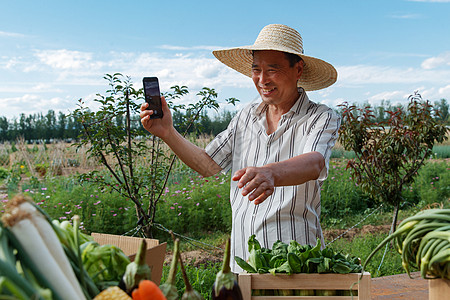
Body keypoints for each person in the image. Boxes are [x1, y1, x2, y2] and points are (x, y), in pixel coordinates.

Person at [140, 24, 341, 273]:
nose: (262, 79)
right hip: (243, 262)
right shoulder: (246, 115)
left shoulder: (320, 116)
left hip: (297, 263)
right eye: (256, 70)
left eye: (272, 70)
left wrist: (271, 173)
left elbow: (315, 163)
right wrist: (168, 132)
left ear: (297, 69)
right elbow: (208, 164)